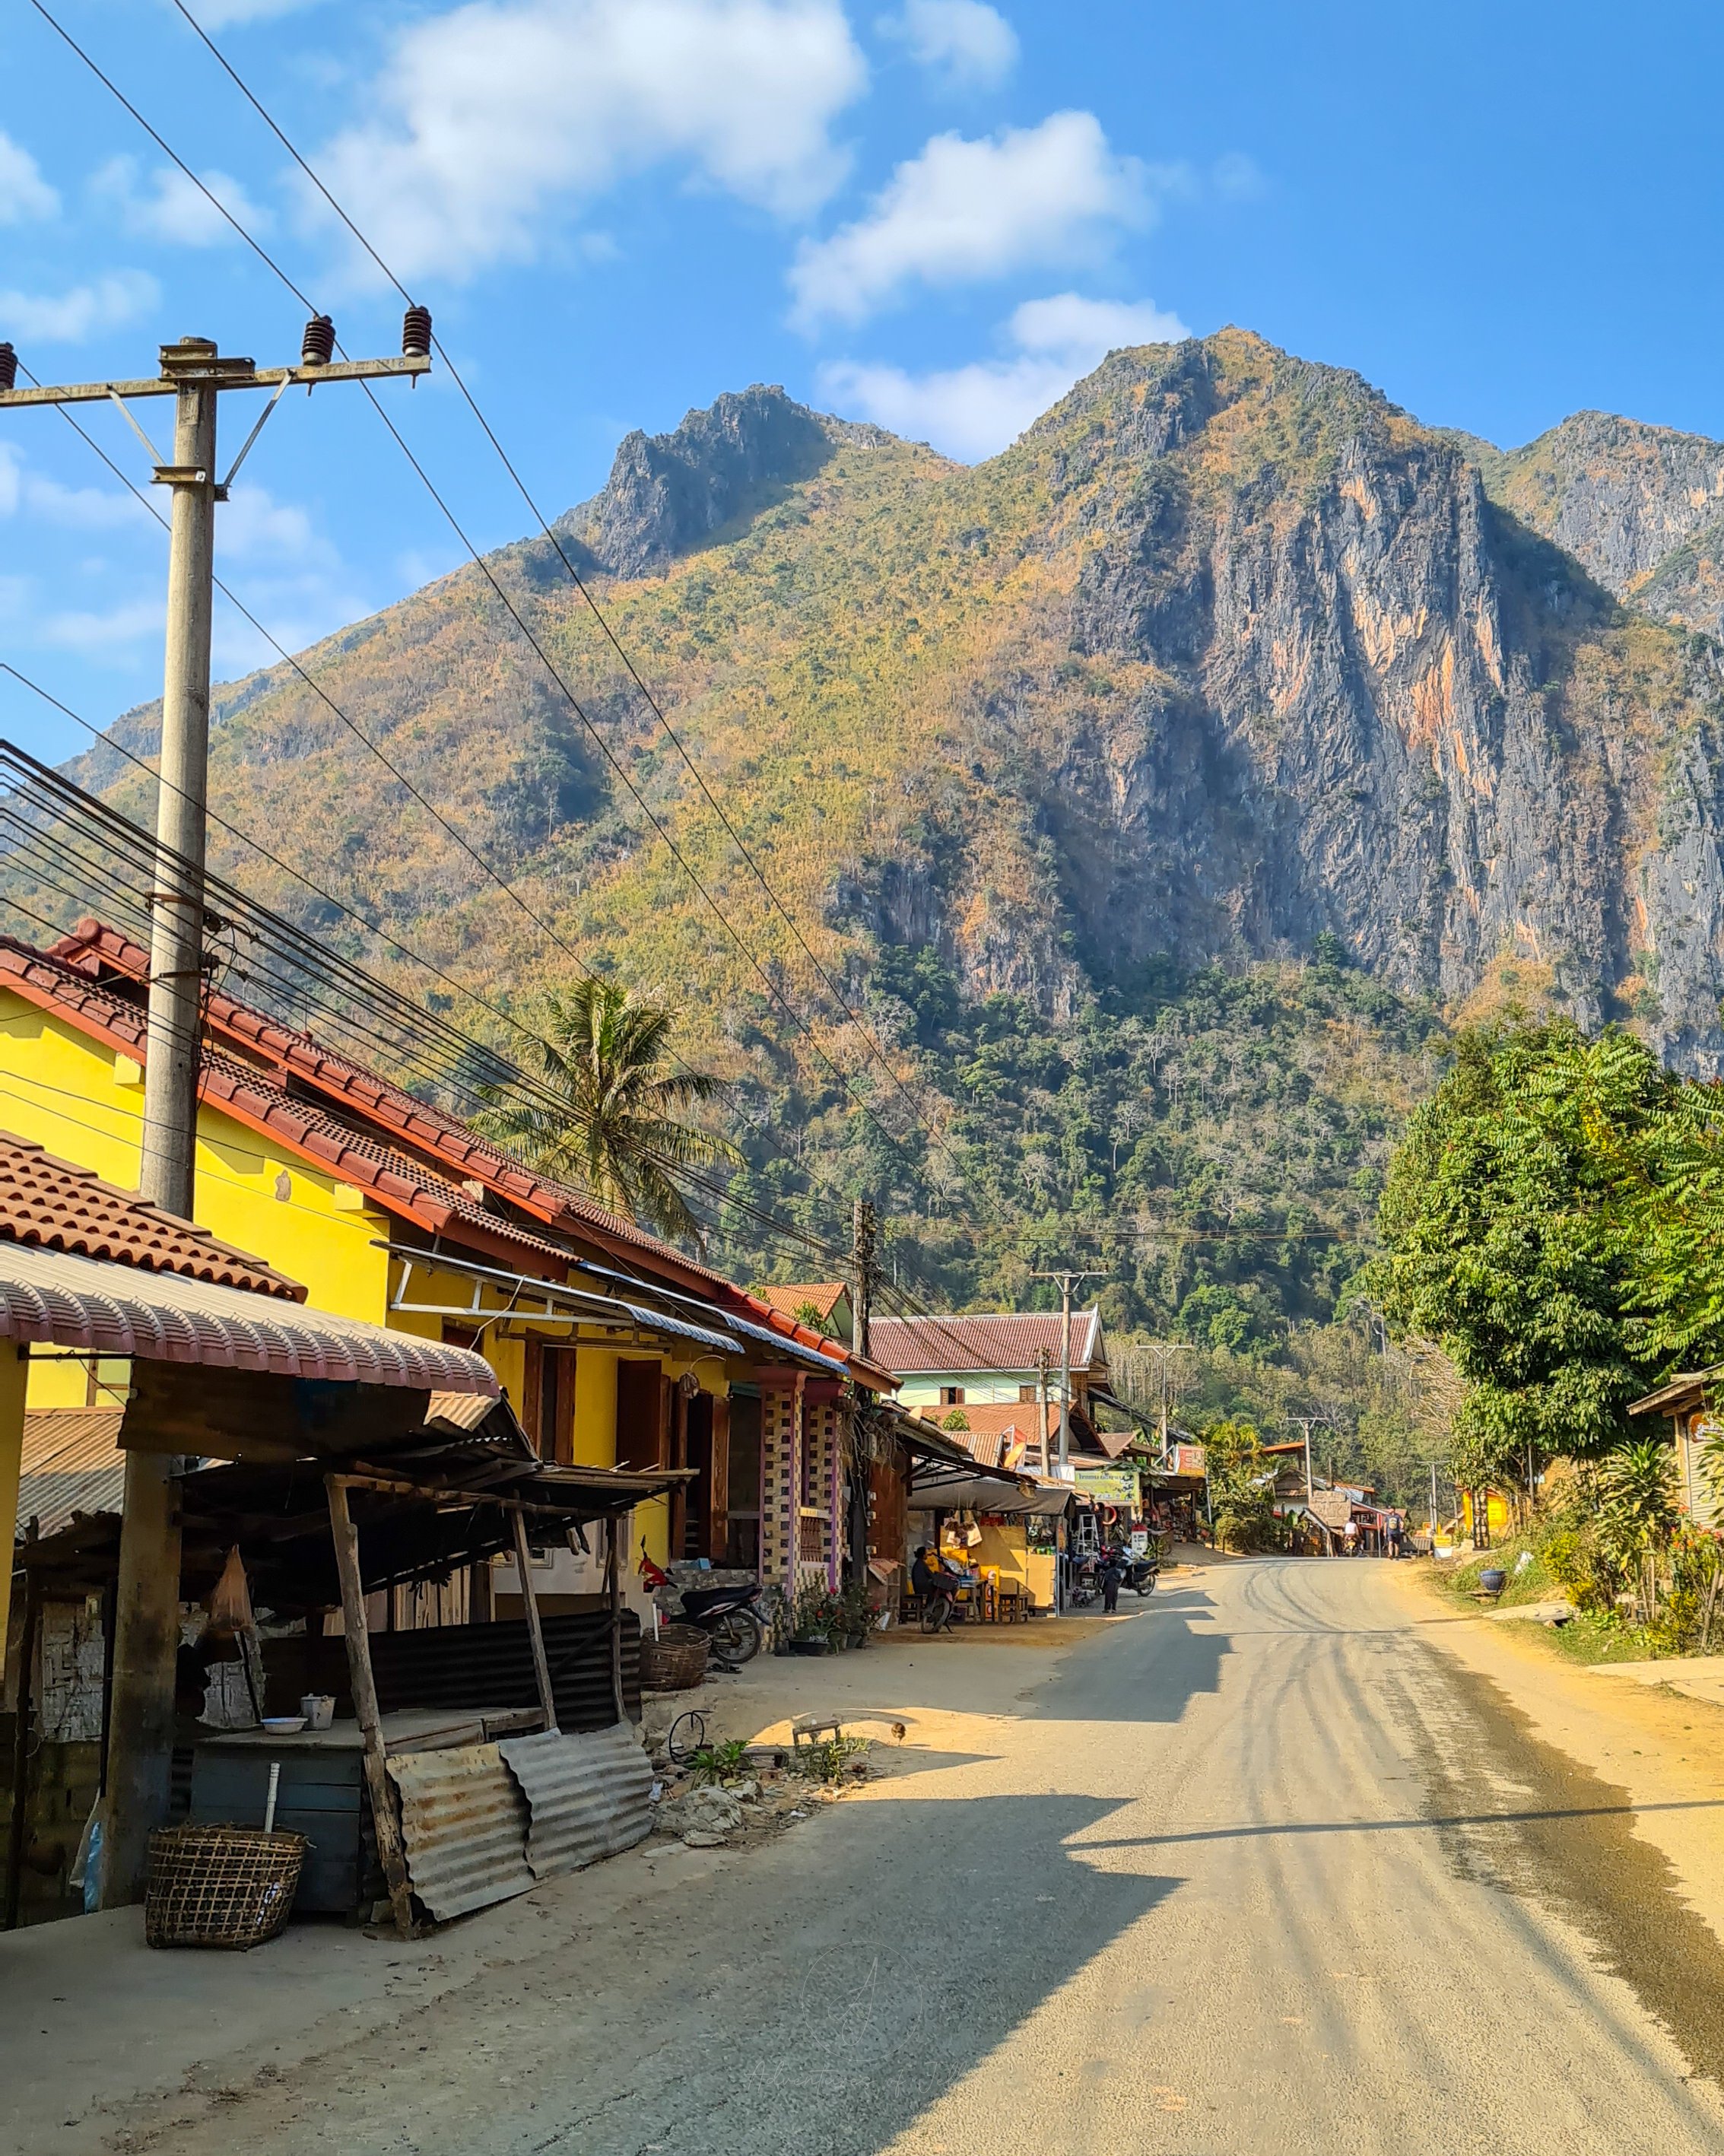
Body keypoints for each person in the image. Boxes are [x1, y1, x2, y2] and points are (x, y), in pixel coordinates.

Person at [1100, 1550, 1125, 1614]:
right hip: (1115, 1585)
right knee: (1114, 1597)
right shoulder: (1117, 1571)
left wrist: (1103, 1588)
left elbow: (1105, 1580)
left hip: (1109, 1586)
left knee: (1108, 1598)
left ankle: (1107, 1609)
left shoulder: (1108, 1571)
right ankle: (1114, 1609)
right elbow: (1119, 1578)